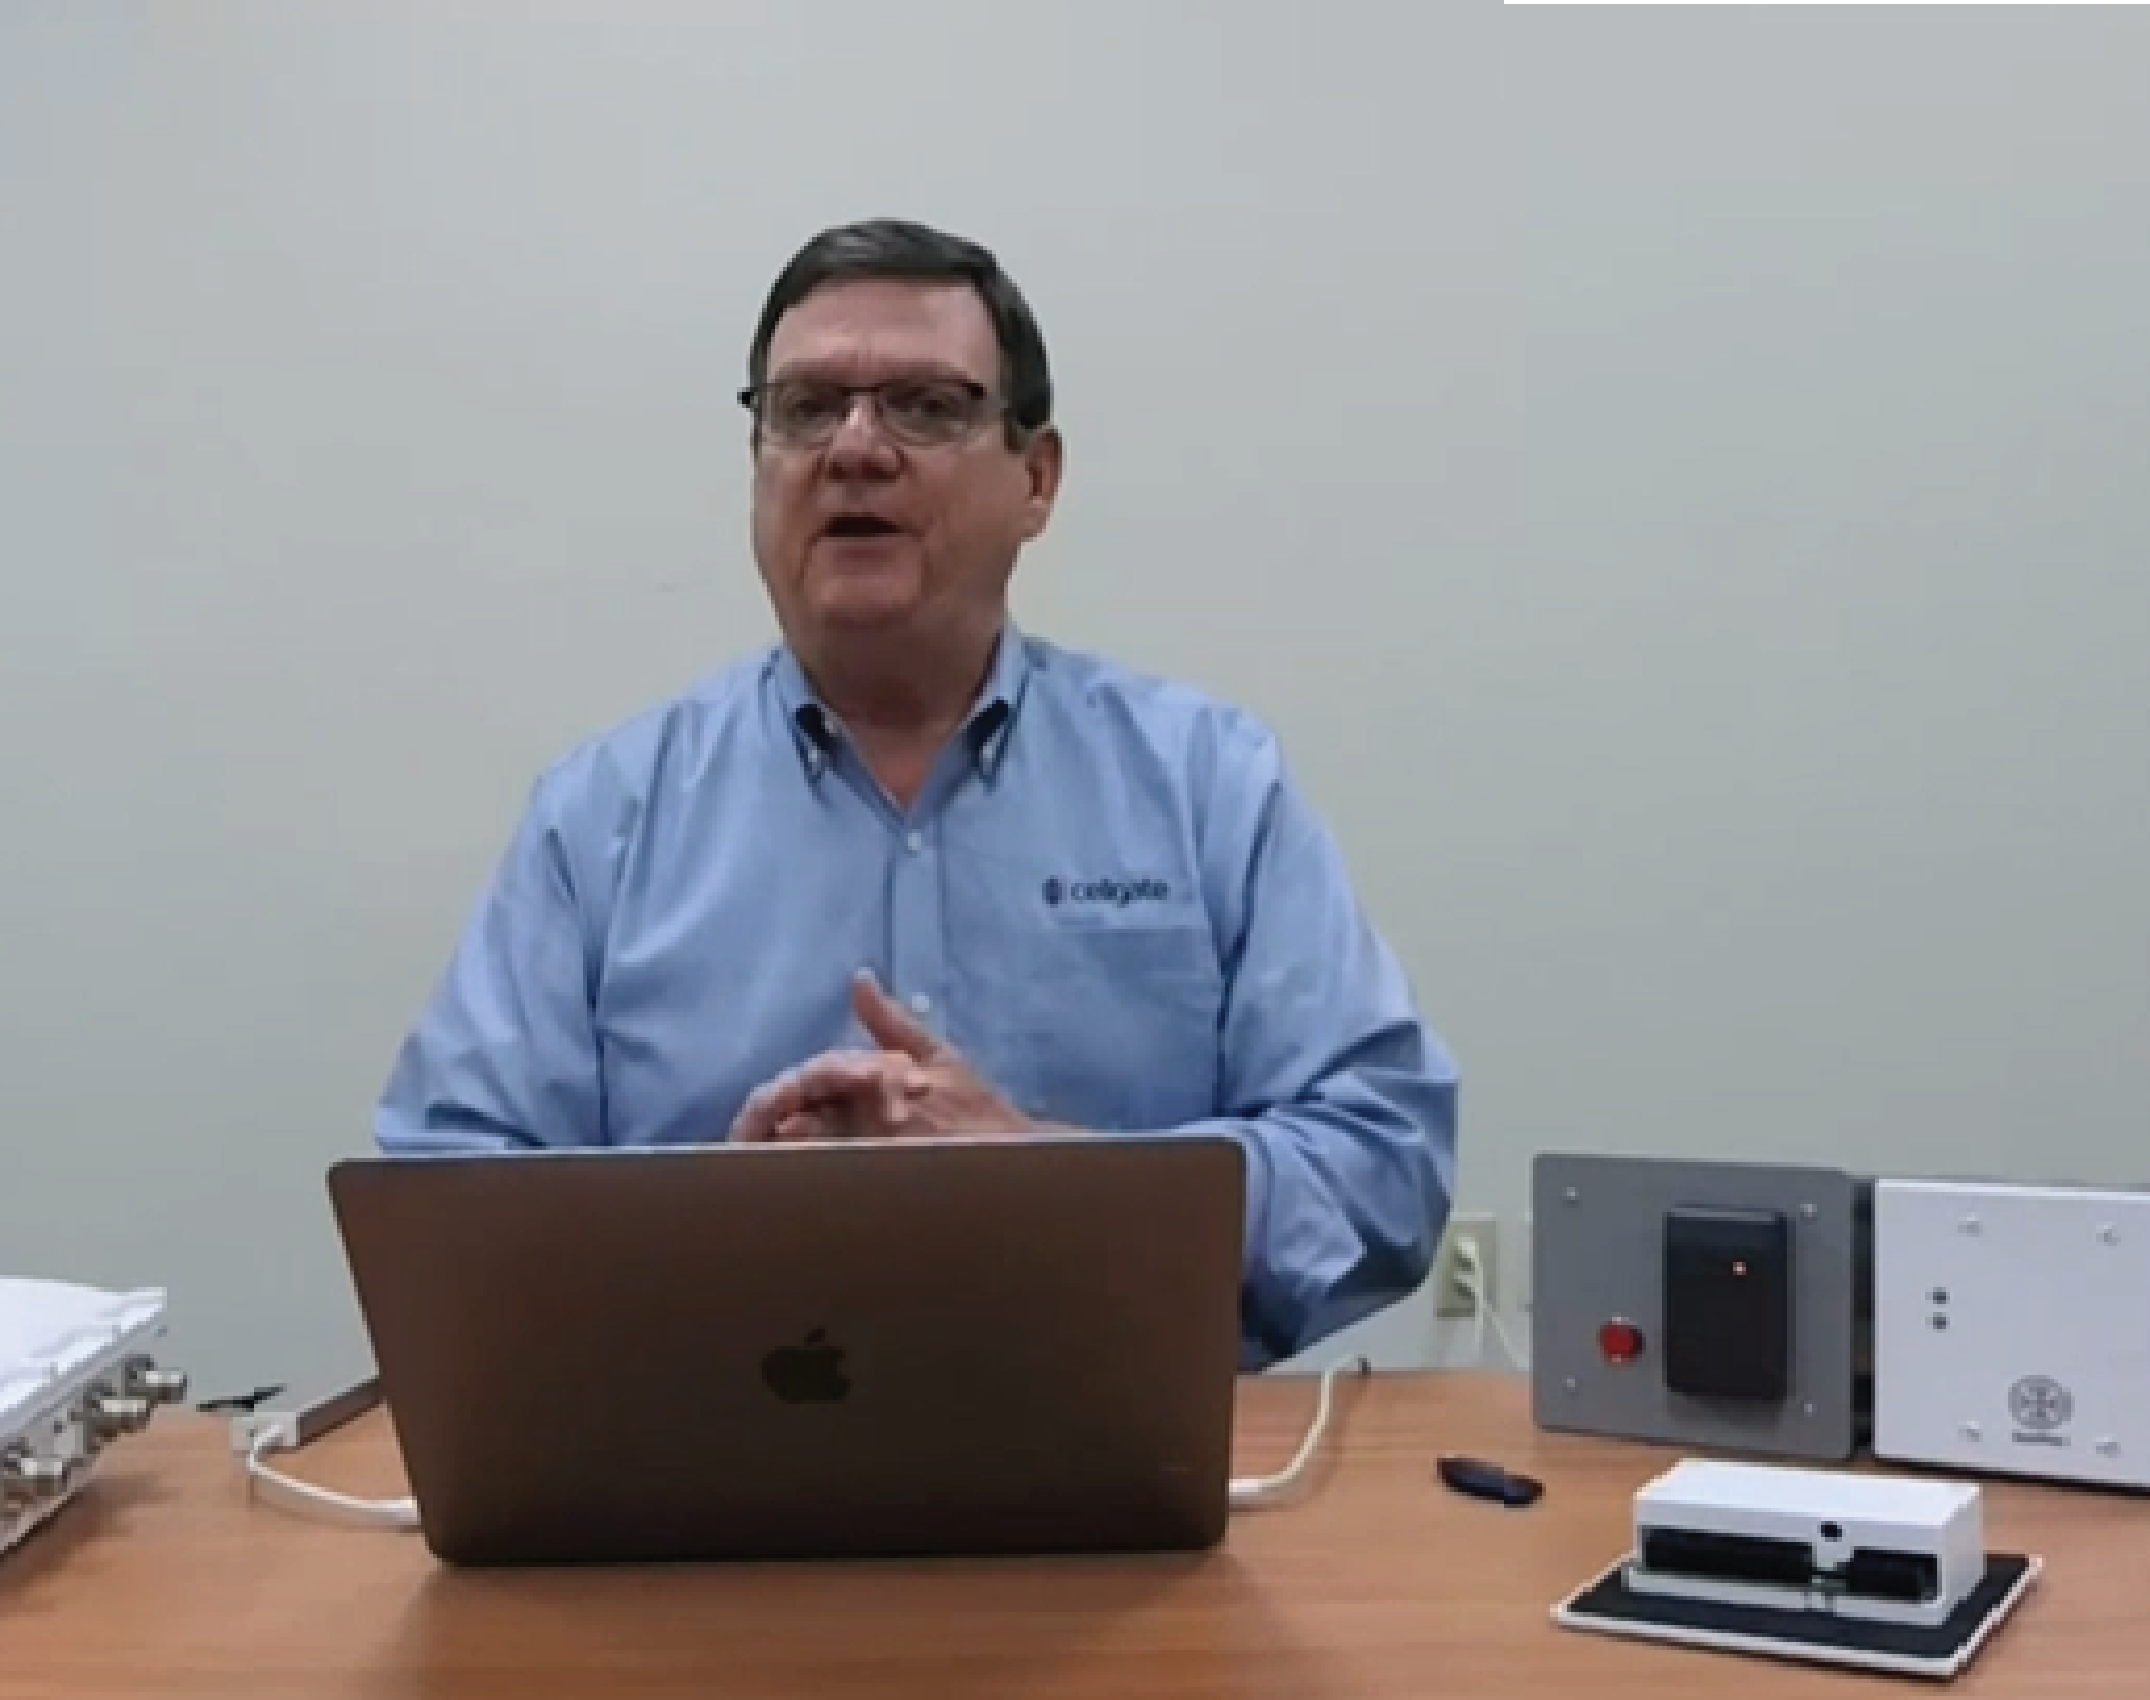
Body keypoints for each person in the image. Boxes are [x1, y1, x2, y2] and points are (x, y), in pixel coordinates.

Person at [372, 217, 1457, 1366]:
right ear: (757, 468)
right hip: (705, 1483)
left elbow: (1380, 1159)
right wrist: (707, 1232)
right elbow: (438, 1209)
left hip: (1118, 1490)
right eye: (803, 408)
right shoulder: (599, 820)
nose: (853, 448)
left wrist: (1050, 1179)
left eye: (924, 407)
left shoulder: (1206, 786)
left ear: (1034, 479)